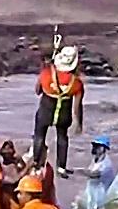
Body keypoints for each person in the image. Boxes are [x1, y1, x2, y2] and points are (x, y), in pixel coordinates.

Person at [33, 46, 85, 176]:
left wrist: (44, 76)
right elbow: (77, 106)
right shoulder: (77, 83)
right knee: (62, 138)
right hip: (63, 114)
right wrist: (78, 123)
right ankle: (61, 167)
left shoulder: (46, 73)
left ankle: (36, 164)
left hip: (46, 111)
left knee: (39, 136)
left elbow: (37, 91)